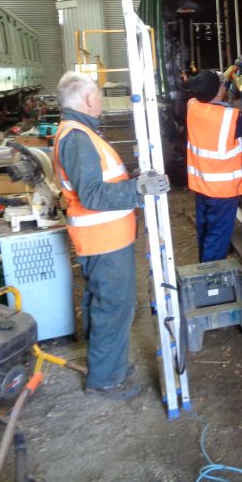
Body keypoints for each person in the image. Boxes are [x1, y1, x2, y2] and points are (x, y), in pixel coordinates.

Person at [53, 71, 170, 400]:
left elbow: (99, 182)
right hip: (103, 240)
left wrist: (133, 180)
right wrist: (137, 189)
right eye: (99, 96)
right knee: (113, 306)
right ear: (88, 100)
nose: (101, 101)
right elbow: (91, 194)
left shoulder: (78, 132)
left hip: (103, 239)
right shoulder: (77, 137)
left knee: (103, 302)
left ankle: (104, 363)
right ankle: (106, 378)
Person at [186, 64, 242, 263]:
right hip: (222, 193)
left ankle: (203, 268)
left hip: (202, 187)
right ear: (215, 92)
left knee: (205, 231)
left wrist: (227, 77)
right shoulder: (227, 119)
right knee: (217, 239)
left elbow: (214, 96)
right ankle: (210, 281)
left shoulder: (192, 106)